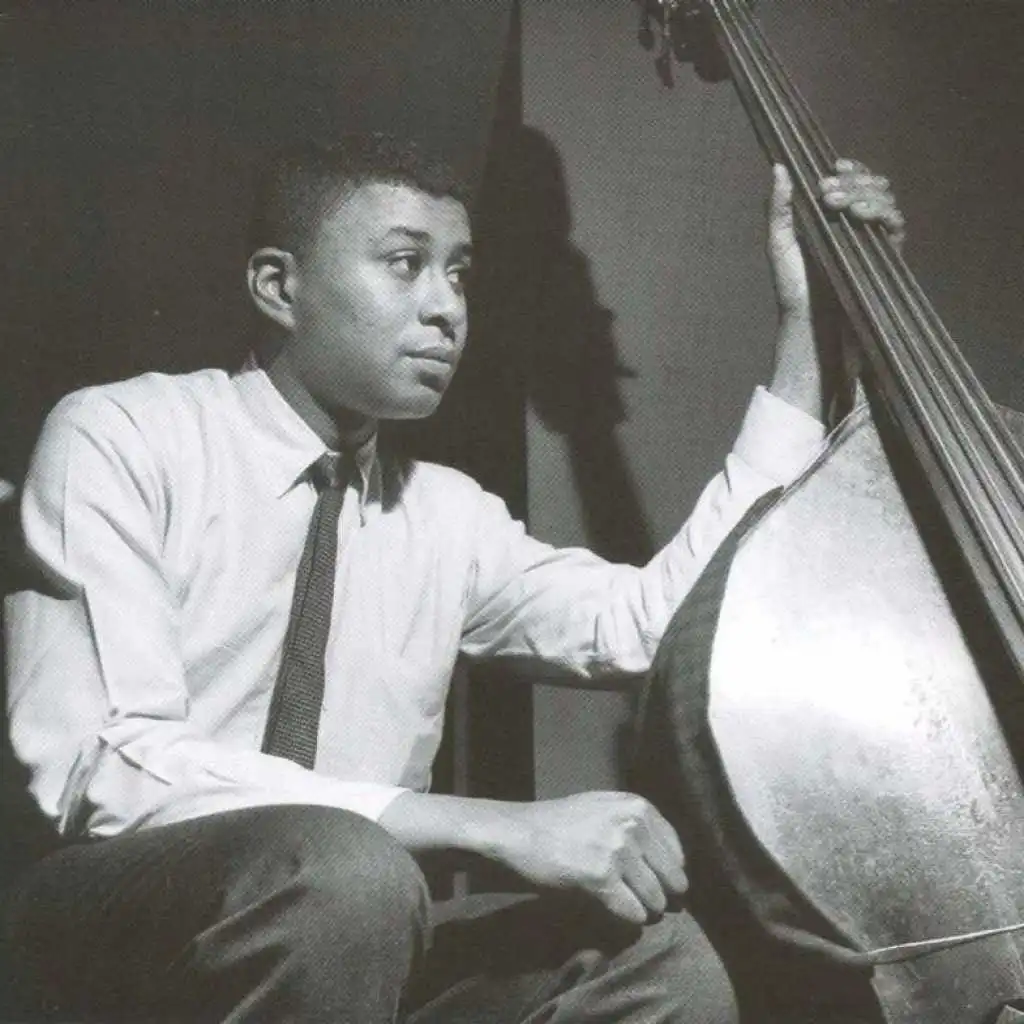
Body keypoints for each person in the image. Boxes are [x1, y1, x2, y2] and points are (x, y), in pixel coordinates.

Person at [2, 134, 902, 1023]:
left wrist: (807, 330)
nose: (447, 309)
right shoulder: (124, 435)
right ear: (279, 287)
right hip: (117, 940)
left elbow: (661, 624)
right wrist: (489, 826)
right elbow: (102, 768)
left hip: (356, 934)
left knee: (665, 962)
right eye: (406, 264)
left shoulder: (447, 513)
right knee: (349, 872)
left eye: (460, 274)